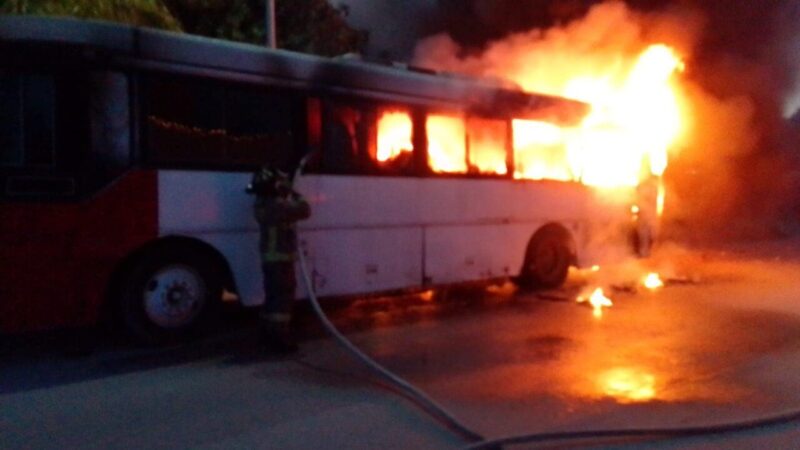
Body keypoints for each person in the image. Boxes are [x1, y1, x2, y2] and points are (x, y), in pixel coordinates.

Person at [247, 165, 311, 353]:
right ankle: (279, 339)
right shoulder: (277, 206)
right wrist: (294, 192)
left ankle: (266, 334)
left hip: (271, 258)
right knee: (282, 301)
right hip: (280, 259)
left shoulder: (263, 204)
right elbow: (305, 210)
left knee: (272, 298)